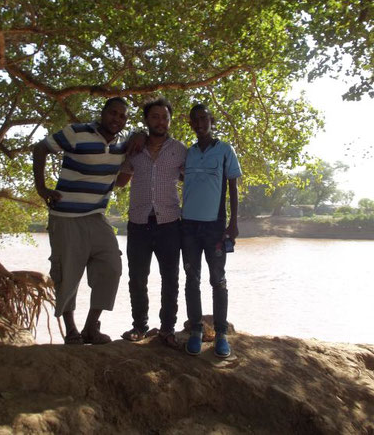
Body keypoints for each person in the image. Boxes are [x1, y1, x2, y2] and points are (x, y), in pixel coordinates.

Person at [33, 97, 135, 345]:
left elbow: (120, 182)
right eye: (113, 113)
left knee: (111, 267)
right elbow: (40, 148)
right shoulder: (77, 133)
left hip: (96, 216)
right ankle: (71, 331)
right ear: (102, 113)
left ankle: (91, 327)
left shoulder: (121, 146)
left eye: (122, 116)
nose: (117, 119)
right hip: (66, 216)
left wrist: (132, 155)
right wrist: (42, 189)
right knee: (68, 273)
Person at [115, 97, 187, 349]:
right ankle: (139, 326)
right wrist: (125, 147)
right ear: (147, 120)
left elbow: (192, 179)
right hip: (138, 222)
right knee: (137, 278)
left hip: (169, 223)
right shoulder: (135, 148)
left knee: (170, 279)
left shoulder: (180, 149)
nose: (160, 121)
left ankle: (167, 329)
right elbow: (121, 182)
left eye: (165, 117)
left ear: (170, 121)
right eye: (155, 117)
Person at [181, 104, 242, 358]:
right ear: (191, 124)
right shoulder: (188, 153)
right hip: (188, 226)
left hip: (215, 226)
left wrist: (233, 222)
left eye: (203, 118)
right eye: (194, 120)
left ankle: (220, 334)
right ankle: (195, 330)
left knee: (218, 280)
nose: (199, 123)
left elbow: (233, 188)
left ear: (211, 120)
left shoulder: (225, 150)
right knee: (191, 278)